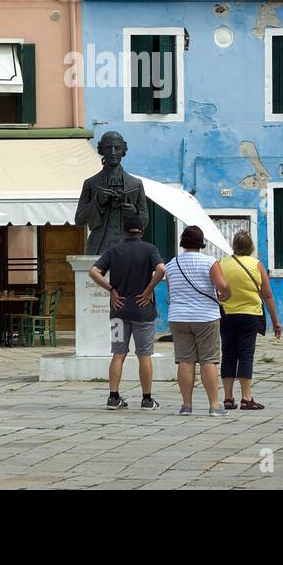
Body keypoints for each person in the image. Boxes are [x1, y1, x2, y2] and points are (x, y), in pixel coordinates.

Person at [89, 219, 166, 410]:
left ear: (123, 231)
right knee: (144, 354)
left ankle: (113, 397)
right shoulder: (149, 249)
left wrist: (111, 289)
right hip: (143, 311)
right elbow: (161, 269)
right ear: (142, 231)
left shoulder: (114, 250)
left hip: (119, 310)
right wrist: (149, 289)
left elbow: (93, 271)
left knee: (118, 353)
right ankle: (147, 399)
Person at [164, 226, 231, 416]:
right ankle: (215, 406)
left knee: (185, 361)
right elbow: (222, 285)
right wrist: (227, 294)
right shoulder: (210, 262)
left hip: (178, 317)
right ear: (202, 242)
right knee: (208, 361)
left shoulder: (171, 264)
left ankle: (186, 405)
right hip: (205, 317)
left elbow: (171, 292)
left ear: (183, 242)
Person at [217, 230, 282, 410]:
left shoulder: (222, 264)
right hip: (250, 316)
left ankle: (228, 398)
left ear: (233, 245)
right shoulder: (257, 265)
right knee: (245, 355)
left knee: (228, 354)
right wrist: (276, 321)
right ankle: (246, 397)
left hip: (227, 315)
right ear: (251, 247)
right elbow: (267, 295)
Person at [74, 131, 148, 255]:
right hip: (98, 247)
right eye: (108, 148)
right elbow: (79, 220)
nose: (113, 152)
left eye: (117, 148)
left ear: (123, 151)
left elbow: (145, 220)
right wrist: (96, 202)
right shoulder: (90, 183)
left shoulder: (135, 183)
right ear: (102, 150)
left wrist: (134, 212)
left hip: (128, 248)